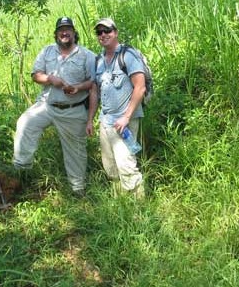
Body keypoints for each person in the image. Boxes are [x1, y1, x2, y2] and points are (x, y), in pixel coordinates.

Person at [13, 17, 98, 197]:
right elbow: (35, 75)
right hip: (47, 105)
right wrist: (50, 79)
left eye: (68, 29)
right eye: (61, 30)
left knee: (76, 152)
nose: (64, 32)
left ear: (74, 33)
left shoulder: (87, 56)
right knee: (25, 123)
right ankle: (21, 170)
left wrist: (78, 89)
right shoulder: (47, 51)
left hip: (73, 110)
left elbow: (93, 85)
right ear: (56, 34)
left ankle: (78, 190)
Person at [92, 18, 145, 198]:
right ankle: (121, 204)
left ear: (115, 32)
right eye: (99, 32)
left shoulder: (128, 55)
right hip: (105, 122)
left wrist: (126, 117)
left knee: (127, 166)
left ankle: (140, 212)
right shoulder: (98, 60)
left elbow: (140, 87)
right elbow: (95, 92)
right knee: (111, 168)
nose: (103, 35)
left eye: (107, 31)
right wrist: (90, 119)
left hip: (124, 123)